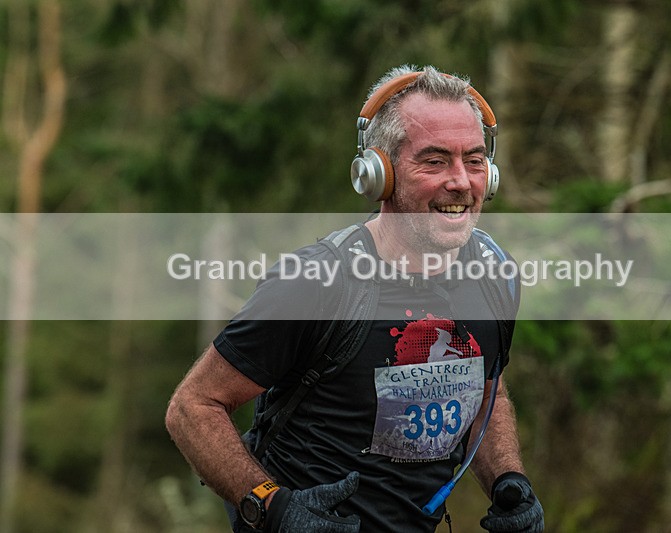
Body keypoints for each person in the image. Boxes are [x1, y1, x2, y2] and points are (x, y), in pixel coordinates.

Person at [165, 65, 544, 532]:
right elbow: (193, 407)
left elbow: (488, 389)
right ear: (378, 173)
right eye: (434, 161)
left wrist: (509, 480)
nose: (462, 182)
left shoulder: (495, 274)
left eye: (474, 160)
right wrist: (272, 506)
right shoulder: (318, 283)